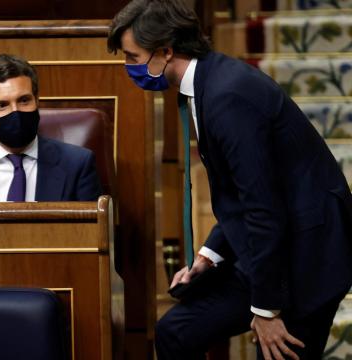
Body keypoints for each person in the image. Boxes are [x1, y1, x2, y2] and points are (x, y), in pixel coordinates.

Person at [108, 0, 352, 359]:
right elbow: (243, 194)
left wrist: (266, 310)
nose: (128, 67)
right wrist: (208, 257)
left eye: (132, 57)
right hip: (272, 242)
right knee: (176, 332)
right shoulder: (210, 80)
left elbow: (263, 206)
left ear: (165, 51)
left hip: (309, 254)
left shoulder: (227, 97)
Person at [0, 54, 102, 202]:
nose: (16, 112)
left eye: (24, 100)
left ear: (37, 101)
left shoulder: (77, 164)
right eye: (1, 105)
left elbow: (92, 235)